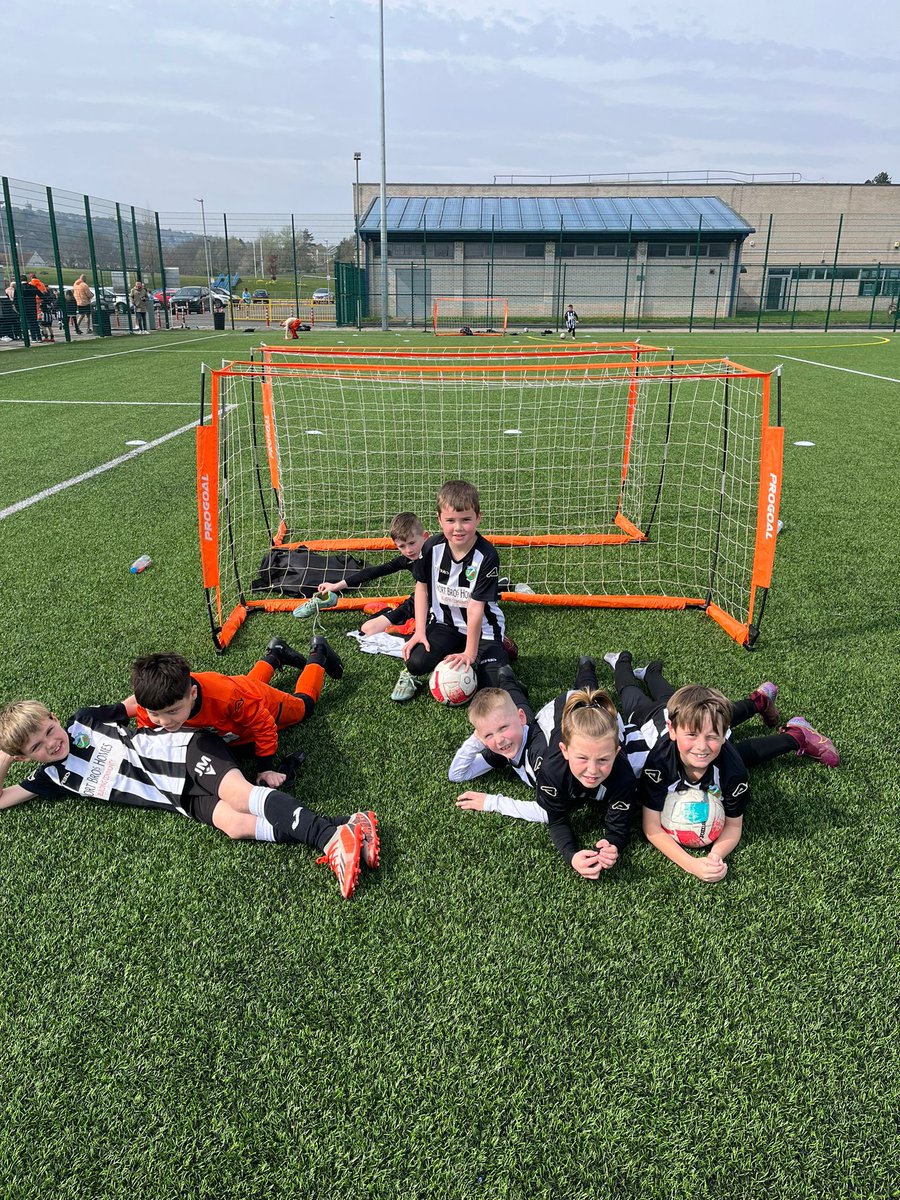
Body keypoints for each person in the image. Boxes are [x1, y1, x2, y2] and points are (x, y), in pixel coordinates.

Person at [0, 699, 379, 899]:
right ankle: (348, 827)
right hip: (176, 797)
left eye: (49, 729)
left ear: (54, 717)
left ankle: (326, 839)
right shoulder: (51, 777)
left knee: (241, 797)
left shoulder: (84, 721)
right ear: (24, 758)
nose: (51, 742)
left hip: (185, 751)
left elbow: (136, 703)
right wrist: (7, 751)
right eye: (37, 746)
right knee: (235, 825)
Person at [608, 656, 839, 883]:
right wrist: (692, 864)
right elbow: (651, 827)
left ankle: (789, 728)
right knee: (631, 694)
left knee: (709, 724)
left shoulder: (731, 767)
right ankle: (626, 662)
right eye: (691, 736)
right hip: (649, 718)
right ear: (673, 731)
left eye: (714, 738)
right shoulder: (658, 762)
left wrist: (715, 856)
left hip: (692, 721)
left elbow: (734, 824)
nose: (701, 746)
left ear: (724, 736)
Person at [126, 635, 344, 787]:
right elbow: (150, 734)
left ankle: (319, 653)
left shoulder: (225, 697)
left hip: (263, 701)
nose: (163, 721)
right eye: (156, 714)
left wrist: (265, 768)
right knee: (243, 689)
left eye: (173, 712)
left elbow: (264, 724)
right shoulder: (150, 703)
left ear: (192, 693)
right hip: (240, 691)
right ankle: (276, 653)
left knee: (304, 706)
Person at [396, 479, 508, 702]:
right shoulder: (431, 548)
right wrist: (419, 631)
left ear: (478, 518)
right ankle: (455, 646)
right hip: (445, 625)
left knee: (492, 684)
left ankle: (500, 645)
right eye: (450, 520)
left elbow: (475, 609)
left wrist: (470, 654)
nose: (458, 528)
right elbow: (422, 588)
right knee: (416, 663)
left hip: (484, 628)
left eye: (466, 519)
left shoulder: (487, 556)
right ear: (439, 520)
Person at [306, 511, 430, 639]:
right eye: (402, 546)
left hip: (444, 606)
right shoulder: (407, 560)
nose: (408, 550)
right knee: (368, 630)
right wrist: (336, 586)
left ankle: (410, 625)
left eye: (412, 543)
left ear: (425, 537)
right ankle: (397, 617)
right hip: (418, 603)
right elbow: (375, 571)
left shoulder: (439, 553)